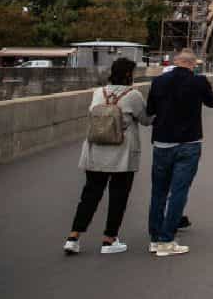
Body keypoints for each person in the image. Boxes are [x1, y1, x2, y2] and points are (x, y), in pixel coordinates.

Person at [63, 58, 152, 256]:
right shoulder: (133, 95)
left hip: (95, 152)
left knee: (89, 196)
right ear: (129, 74)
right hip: (122, 154)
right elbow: (146, 120)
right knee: (118, 197)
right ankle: (109, 239)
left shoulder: (98, 92)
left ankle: (73, 237)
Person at [146, 48, 213, 257]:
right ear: (192, 64)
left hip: (162, 142)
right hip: (189, 143)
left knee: (158, 192)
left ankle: (155, 238)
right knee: (178, 191)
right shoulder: (199, 81)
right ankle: (167, 240)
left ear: (175, 62)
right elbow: (212, 103)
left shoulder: (158, 82)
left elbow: (150, 111)